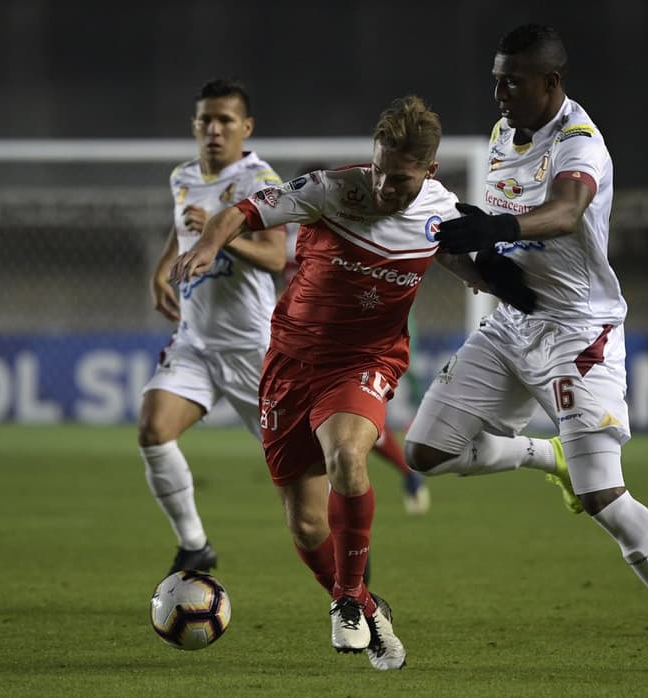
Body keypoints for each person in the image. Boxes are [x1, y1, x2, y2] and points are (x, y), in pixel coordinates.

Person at [404, 24, 648, 675]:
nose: (498, 93)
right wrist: (472, 262)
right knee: (426, 452)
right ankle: (542, 455)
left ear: (551, 84)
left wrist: (496, 226)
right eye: (495, 79)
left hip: (581, 334)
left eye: (512, 82)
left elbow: (567, 212)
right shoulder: (501, 137)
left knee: (604, 496)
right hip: (514, 322)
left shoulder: (581, 142)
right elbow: (494, 237)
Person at [170, 95, 484, 670]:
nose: (388, 188)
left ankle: (344, 601)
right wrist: (210, 243)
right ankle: (364, 601)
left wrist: (501, 284)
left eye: (403, 180)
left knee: (346, 455)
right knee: (307, 522)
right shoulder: (331, 189)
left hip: (366, 359)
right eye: (382, 172)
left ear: (431, 172)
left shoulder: (446, 214)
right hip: (290, 361)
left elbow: (475, 261)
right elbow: (242, 211)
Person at [138, 78, 286, 576]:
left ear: (247, 127)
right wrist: (164, 267)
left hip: (253, 348)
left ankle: (347, 551)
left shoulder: (259, 180)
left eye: (226, 120)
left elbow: (275, 255)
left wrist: (220, 237)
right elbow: (184, 226)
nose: (214, 130)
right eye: (206, 120)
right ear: (194, 126)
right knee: (154, 428)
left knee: (295, 473)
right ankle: (194, 545)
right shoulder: (182, 175)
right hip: (196, 342)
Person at [282, 163, 430, 516]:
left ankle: (404, 473)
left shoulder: (357, 224)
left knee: (353, 423)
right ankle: (401, 475)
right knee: (340, 430)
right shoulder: (295, 235)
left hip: (370, 339)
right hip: (311, 340)